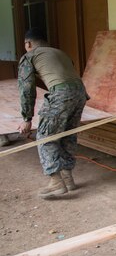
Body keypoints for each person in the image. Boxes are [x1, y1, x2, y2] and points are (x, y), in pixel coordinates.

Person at [17, 28, 88, 199]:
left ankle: (56, 182)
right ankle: (67, 178)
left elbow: (27, 89)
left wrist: (27, 118)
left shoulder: (29, 56)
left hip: (61, 94)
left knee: (45, 137)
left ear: (28, 44)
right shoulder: (60, 53)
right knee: (66, 135)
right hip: (80, 93)